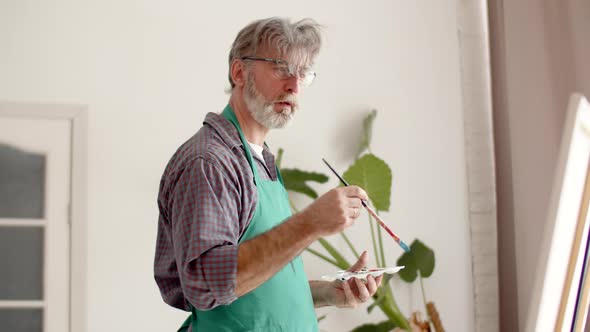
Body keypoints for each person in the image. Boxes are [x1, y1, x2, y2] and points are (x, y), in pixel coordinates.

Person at [154, 17, 383, 332]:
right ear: (239, 72)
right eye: (281, 68)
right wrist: (311, 222)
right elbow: (208, 283)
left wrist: (328, 292)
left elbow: (258, 287)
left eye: (303, 73)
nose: (294, 85)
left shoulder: (260, 159)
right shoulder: (210, 162)